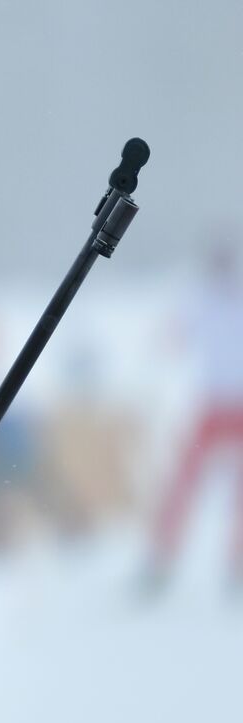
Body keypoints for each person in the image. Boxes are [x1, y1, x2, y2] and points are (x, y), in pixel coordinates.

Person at [145, 234, 243, 592]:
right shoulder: (201, 297)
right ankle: (162, 558)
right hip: (214, 405)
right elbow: (173, 337)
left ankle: (236, 563)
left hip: (237, 407)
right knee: (185, 483)